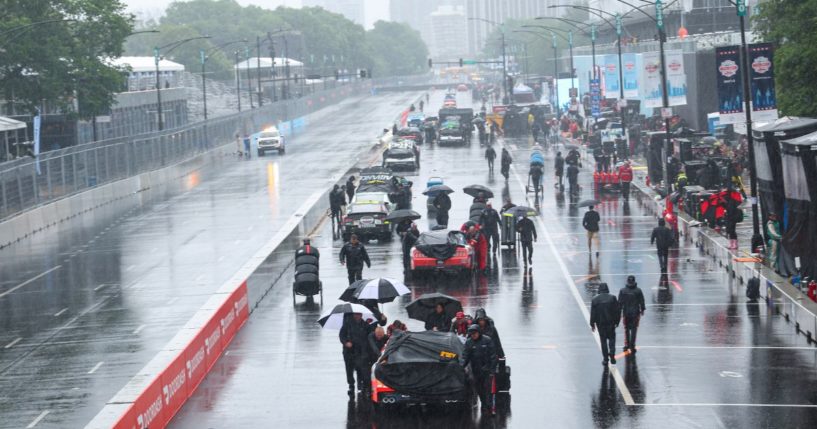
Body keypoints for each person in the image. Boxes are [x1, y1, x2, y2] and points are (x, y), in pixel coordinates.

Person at [462, 324, 498, 415]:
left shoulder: (487, 340)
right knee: (479, 389)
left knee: (488, 389)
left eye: (475, 333)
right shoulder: (469, 342)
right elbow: (465, 356)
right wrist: (461, 366)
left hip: (487, 370)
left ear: (479, 332)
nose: (473, 335)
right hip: (476, 370)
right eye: (472, 333)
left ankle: (489, 406)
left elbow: (493, 356)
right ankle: (484, 403)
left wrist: (492, 369)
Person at [339, 312, 375, 395]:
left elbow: (371, 334)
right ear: (353, 315)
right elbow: (341, 335)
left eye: (359, 314)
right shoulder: (347, 324)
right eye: (356, 314)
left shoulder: (365, 324)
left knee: (360, 368)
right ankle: (351, 385)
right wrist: (346, 343)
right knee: (349, 369)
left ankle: (361, 385)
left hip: (360, 351)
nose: (358, 316)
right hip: (349, 351)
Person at [590, 283, 620, 365]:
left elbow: (593, 313)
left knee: (603, 341)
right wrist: (617, 321)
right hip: (611, 323)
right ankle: (612, 355)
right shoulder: (612, 298)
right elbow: (617, 311)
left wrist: (592, 324)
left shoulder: (595, 300)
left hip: (601, 324)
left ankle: (605, 359)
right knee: (612, 340)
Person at [618, 275, 645, 354]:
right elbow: (642, 301)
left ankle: (626, 344)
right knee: (634, 329)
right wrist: (642, 309)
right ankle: (632, 345)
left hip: (626, 313)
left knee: (626, 328)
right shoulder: (638, 290)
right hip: (635, 313)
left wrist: (619, 312)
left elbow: (620, 303)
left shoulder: (623, 291)